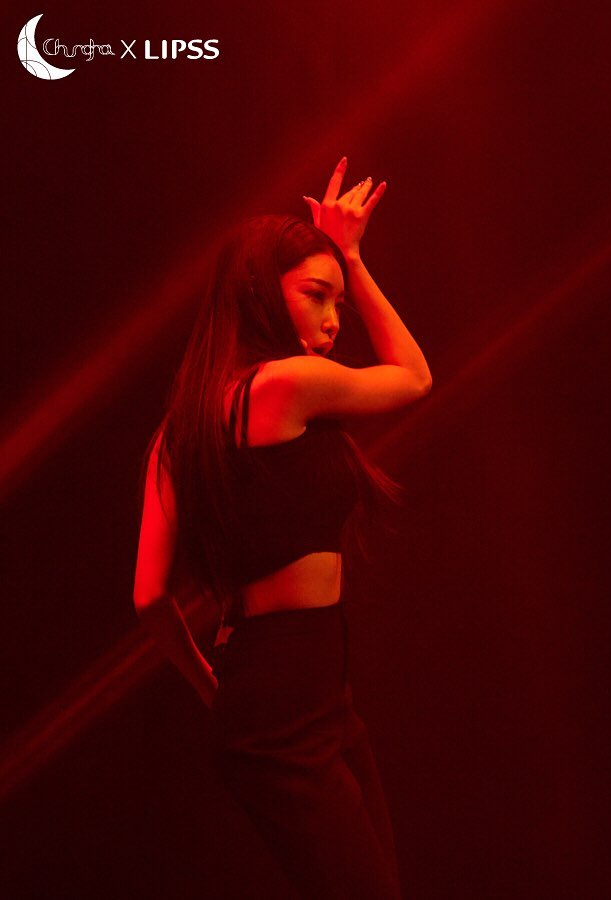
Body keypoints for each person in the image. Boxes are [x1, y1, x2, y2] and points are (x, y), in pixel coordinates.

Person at [132, 157, 431, 898]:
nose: (333, 320)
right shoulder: (286, 385)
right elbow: (414, 376)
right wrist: (352, 257)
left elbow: (149, 597)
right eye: (315, 295)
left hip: (292, 694)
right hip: (291, 698)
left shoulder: (175, 434)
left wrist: (216, 692)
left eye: (338, 301)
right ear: (260, 293)